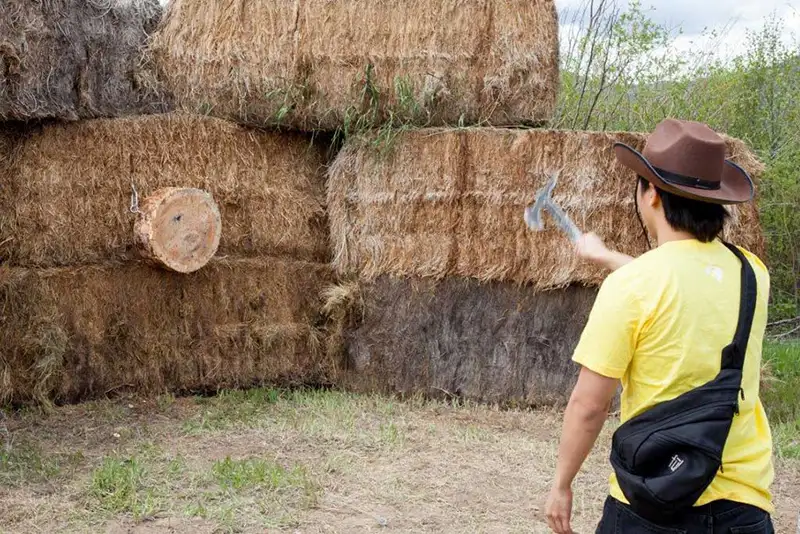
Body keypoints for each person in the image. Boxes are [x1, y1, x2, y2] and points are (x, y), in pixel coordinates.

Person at [544, 118, 775, 534]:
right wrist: (607, 256)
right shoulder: (752, 274)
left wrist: (561, 484)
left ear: (650, 194)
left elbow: (589, 406)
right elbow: (687, 284)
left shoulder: (631, 286)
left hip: (650, 502)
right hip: (744, 509)